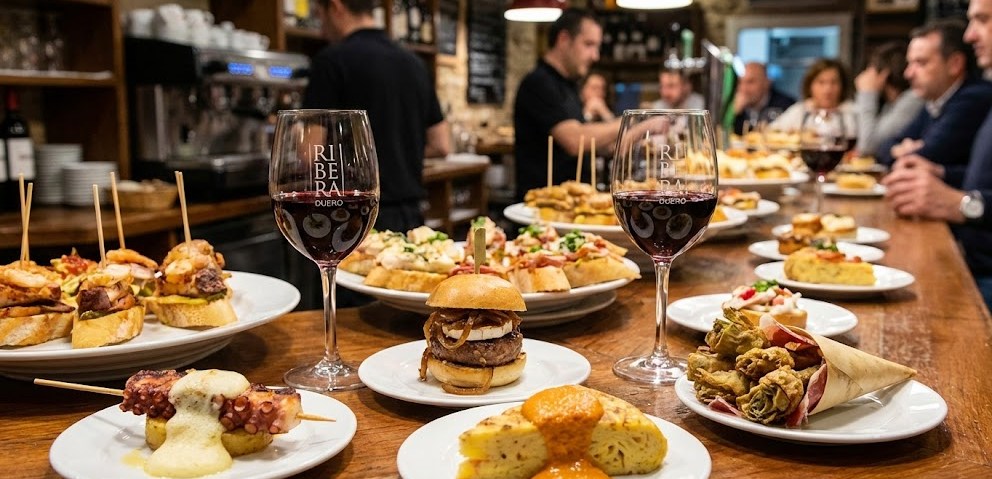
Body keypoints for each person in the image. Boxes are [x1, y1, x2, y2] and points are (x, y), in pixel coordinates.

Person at [882, 0, 992, 308]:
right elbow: (887, 149)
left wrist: (962, 204)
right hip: (971, 258)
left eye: (982, 20)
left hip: (983, 272)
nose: (970, 36)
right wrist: (943, 174)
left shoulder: (976, 96)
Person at [305, 0, 450, 232]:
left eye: (320, 15)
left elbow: (309, 153)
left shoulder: (331, 61)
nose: (321, 28)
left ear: (336, 8)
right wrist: (398, 156)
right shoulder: (415, 64)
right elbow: (441, 144)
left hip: (349, 217)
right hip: (411, 215)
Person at [513, 9, 622, 202]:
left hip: (573, 205)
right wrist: (631, 121)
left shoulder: (569, 85)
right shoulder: (539, 83)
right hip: (543, 209)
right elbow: (574, 140)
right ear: (564, 39)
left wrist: (643, 128)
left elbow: (594, 143)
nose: (595, 55)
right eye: (589, 45)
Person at [877, 20, 992, 186]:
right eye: (910, 63)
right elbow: (885, 147)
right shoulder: (937, 100)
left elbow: (923, 157)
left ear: (955, 64)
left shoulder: (974, 98)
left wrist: (908, 150)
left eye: (921, 63)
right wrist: (901, 149)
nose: (908, 73)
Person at [854, 42, 924, 158]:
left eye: (869, 69)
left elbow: (867, 146)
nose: (864, 75)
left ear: (883, 74)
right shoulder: (890, 104)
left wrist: (867, 94)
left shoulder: (913, 99)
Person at [770, 58, 858, 138]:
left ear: (843, 86)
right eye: (821, 82)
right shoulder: (800, 110)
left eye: (834, 82)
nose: (828, 89)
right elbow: (772, 132)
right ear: (810, 86)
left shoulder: (853, 112)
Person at [732, 62, 796, 135]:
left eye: (750, 82)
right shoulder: (736, 107)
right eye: (740, 82)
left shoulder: (786, 105)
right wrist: (734, 114)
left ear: (766, 82)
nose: (743, 88)